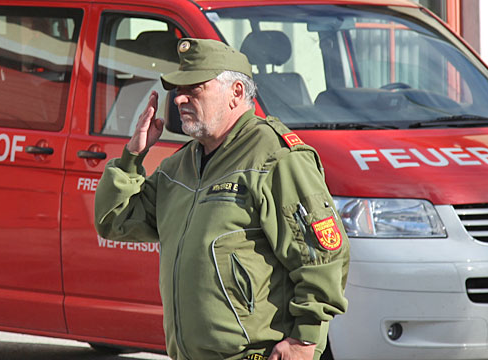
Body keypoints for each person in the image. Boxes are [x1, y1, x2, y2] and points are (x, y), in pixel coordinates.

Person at [94, 38, 349, 360]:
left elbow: (321, 256)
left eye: (194, 88)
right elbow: (114, 222)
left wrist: (304, 340)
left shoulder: (275, 157)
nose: (179, 99)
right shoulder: (178, 166)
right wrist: (132, 157)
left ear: (236, 93)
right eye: (178, 90)